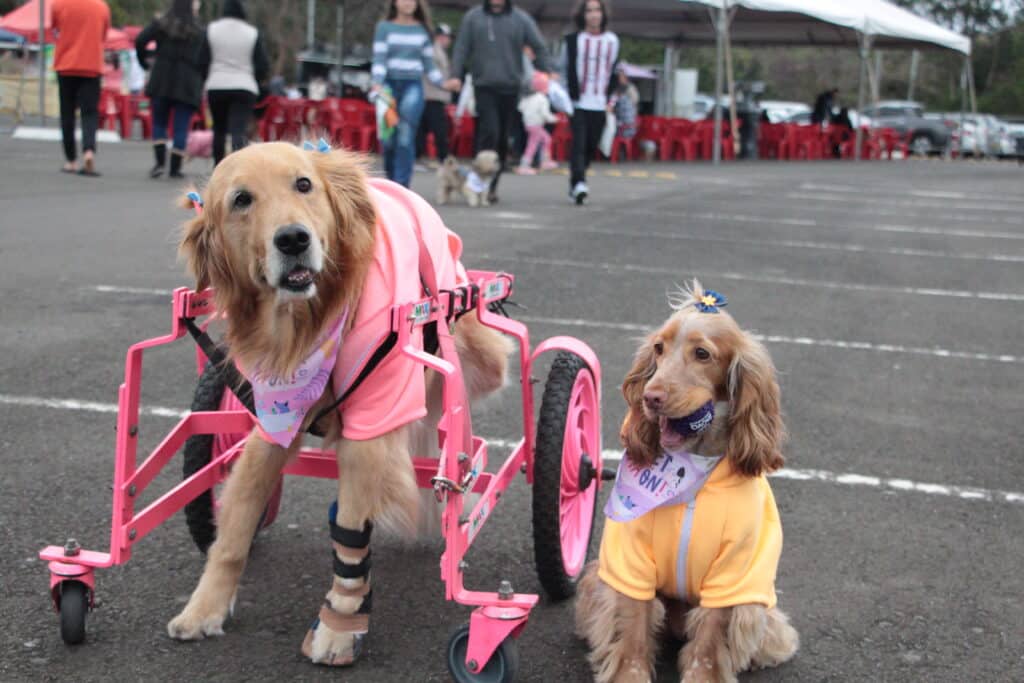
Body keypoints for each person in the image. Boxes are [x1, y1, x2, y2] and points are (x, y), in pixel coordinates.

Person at [447, 0, 553, 204]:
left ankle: (490, 186)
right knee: (490, 132)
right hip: (484, 86)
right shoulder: (473, 17)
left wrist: (547, 69)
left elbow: (539, 46)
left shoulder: (520, 19)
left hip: (510, 88)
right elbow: (461, 48)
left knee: (503, 139)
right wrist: (456, 75)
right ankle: (475, 184)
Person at [371, 0, 445, 188]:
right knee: (388, 139)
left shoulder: (423, 30)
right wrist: (377, 83)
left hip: (413, 84)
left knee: (405, 136)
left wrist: (443, 83)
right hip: (387, 85)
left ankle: (401, 186)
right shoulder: (384, 28)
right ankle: (390, 181)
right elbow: (379, 59)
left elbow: (429, 65)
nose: (408, 3)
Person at [136, 0, 206, 179]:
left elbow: (140, 40)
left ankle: (159, 163)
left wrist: (145, 61)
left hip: (162, 78)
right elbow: (206, 58)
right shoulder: (199, 31)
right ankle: (175, 168)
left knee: (159, 122)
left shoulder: (161, 24)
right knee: (181, 127)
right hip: (188, 82)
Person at [561, 0, 618, 204]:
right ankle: (579, 183)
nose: (594, 15)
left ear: (603, 14)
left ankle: (576, 181)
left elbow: (613, 73)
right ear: (583, 15)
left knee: (591, 145)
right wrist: (565, 99)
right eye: (589, 11)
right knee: (578, 143)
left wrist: (611, 100)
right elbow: (564, 70)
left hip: (600, 103)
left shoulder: (612, 41)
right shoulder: (572, 40)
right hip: (578, 102)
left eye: (597, 11)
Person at [200, 0, 268, 165]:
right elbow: (262, 65)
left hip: (217, 84)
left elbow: (201, 60)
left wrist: (208, 77)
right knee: (238, 130)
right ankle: (238, 167)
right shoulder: (252, 33)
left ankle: (218, 167)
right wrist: (255, 79)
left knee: (219, 129)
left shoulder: (211, 30)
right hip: (244, 86)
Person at [51, 0, 110, 177]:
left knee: (67, 113)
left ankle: (70, 160)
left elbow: (55, 30)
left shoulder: (59, 4)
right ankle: (88, 151)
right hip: (91, 65)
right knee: (89, 113)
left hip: (66, 64)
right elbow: (103, 35)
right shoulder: (101, 7)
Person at [417, 22, 452, 167]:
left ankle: (420, 156)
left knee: (423, 129)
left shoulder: (440, 52)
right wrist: (446, 84)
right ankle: (443, 158)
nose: (447, 40)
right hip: (431, 95)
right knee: (439, 130)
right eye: (444, 37)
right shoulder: (433, 51)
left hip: (435, 95)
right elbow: (433, 73)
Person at [515, 71, 557, 174]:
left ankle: (544, 160)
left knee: (546, 139)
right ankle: (525, 165)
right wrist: (554, 119)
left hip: (528, 124)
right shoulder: (542, 99)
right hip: (536, 125)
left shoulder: (528, 97)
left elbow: (520, 107)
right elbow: (545, 114)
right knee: (533, 145)